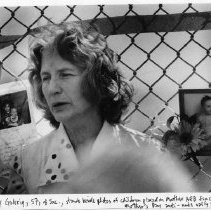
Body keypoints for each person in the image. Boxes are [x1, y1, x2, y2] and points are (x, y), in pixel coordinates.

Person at [4, 22, 196, 194]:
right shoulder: (25, 162)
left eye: (65, 74)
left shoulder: (148, 153)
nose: (52, 89)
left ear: (97, 80)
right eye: (46, 78)